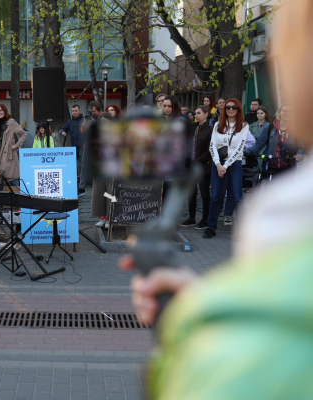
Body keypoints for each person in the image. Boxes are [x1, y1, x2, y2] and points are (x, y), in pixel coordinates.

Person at [121, 2, 313, 397]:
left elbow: (235, 379)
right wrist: (202, 304)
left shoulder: (286, 221)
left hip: (231, 168)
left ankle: (215, 221)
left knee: (229, 201)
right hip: (214, 167)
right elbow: (269, 331)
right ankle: (210, 224)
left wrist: (189, 329)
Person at [203, 98, 249, 238]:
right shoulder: (218, 125)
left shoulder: (243, 125)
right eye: (228, 107)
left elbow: (239, 148)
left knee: (237, 197)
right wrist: (218, 164)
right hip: (218, 164)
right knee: (215, 197)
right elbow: (213, 146)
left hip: (234, 164)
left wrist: (226, 165)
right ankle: (211, 227)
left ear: (238, 109)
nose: (230, 109)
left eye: (234, 107)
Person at [246, 104, 304, 177]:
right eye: (284, 111)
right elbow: (259, 145)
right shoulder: (269, 127)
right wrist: (245, 151)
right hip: (271, 166)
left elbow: (301, 147)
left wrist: (299, 154)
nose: (287, 113)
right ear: (279, 112)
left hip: (289, 167)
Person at [180, 106, 213, 229]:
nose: (196, 115)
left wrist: (197, 161)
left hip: (204, 167)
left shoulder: (210, 130)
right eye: (195, 113)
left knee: (204, 194)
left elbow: (210, 150)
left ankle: (205, 219)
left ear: (206, 114)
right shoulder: (193, 128)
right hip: (191, 166)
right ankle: (192, 218)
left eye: (199, 113)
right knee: (191, 193)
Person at [0, 104, 26, 189]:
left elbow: (23, 134)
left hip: (8, 154)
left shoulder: (12, 122)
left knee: (11, 179)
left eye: (1, 110)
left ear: (5, 111)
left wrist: (16, 146)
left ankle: (12, 199)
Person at [61, 104, 85, 171]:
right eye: (73, 111)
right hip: (73, 147)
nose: (74, 112)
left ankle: (81, 179)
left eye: (76, 111)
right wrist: (62, 132)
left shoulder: (84, 120)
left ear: (79, 111)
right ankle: (74, 178)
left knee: (81, 164)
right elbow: (63, 129)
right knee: (72, 164)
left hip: (82, 146)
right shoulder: (70, 122)